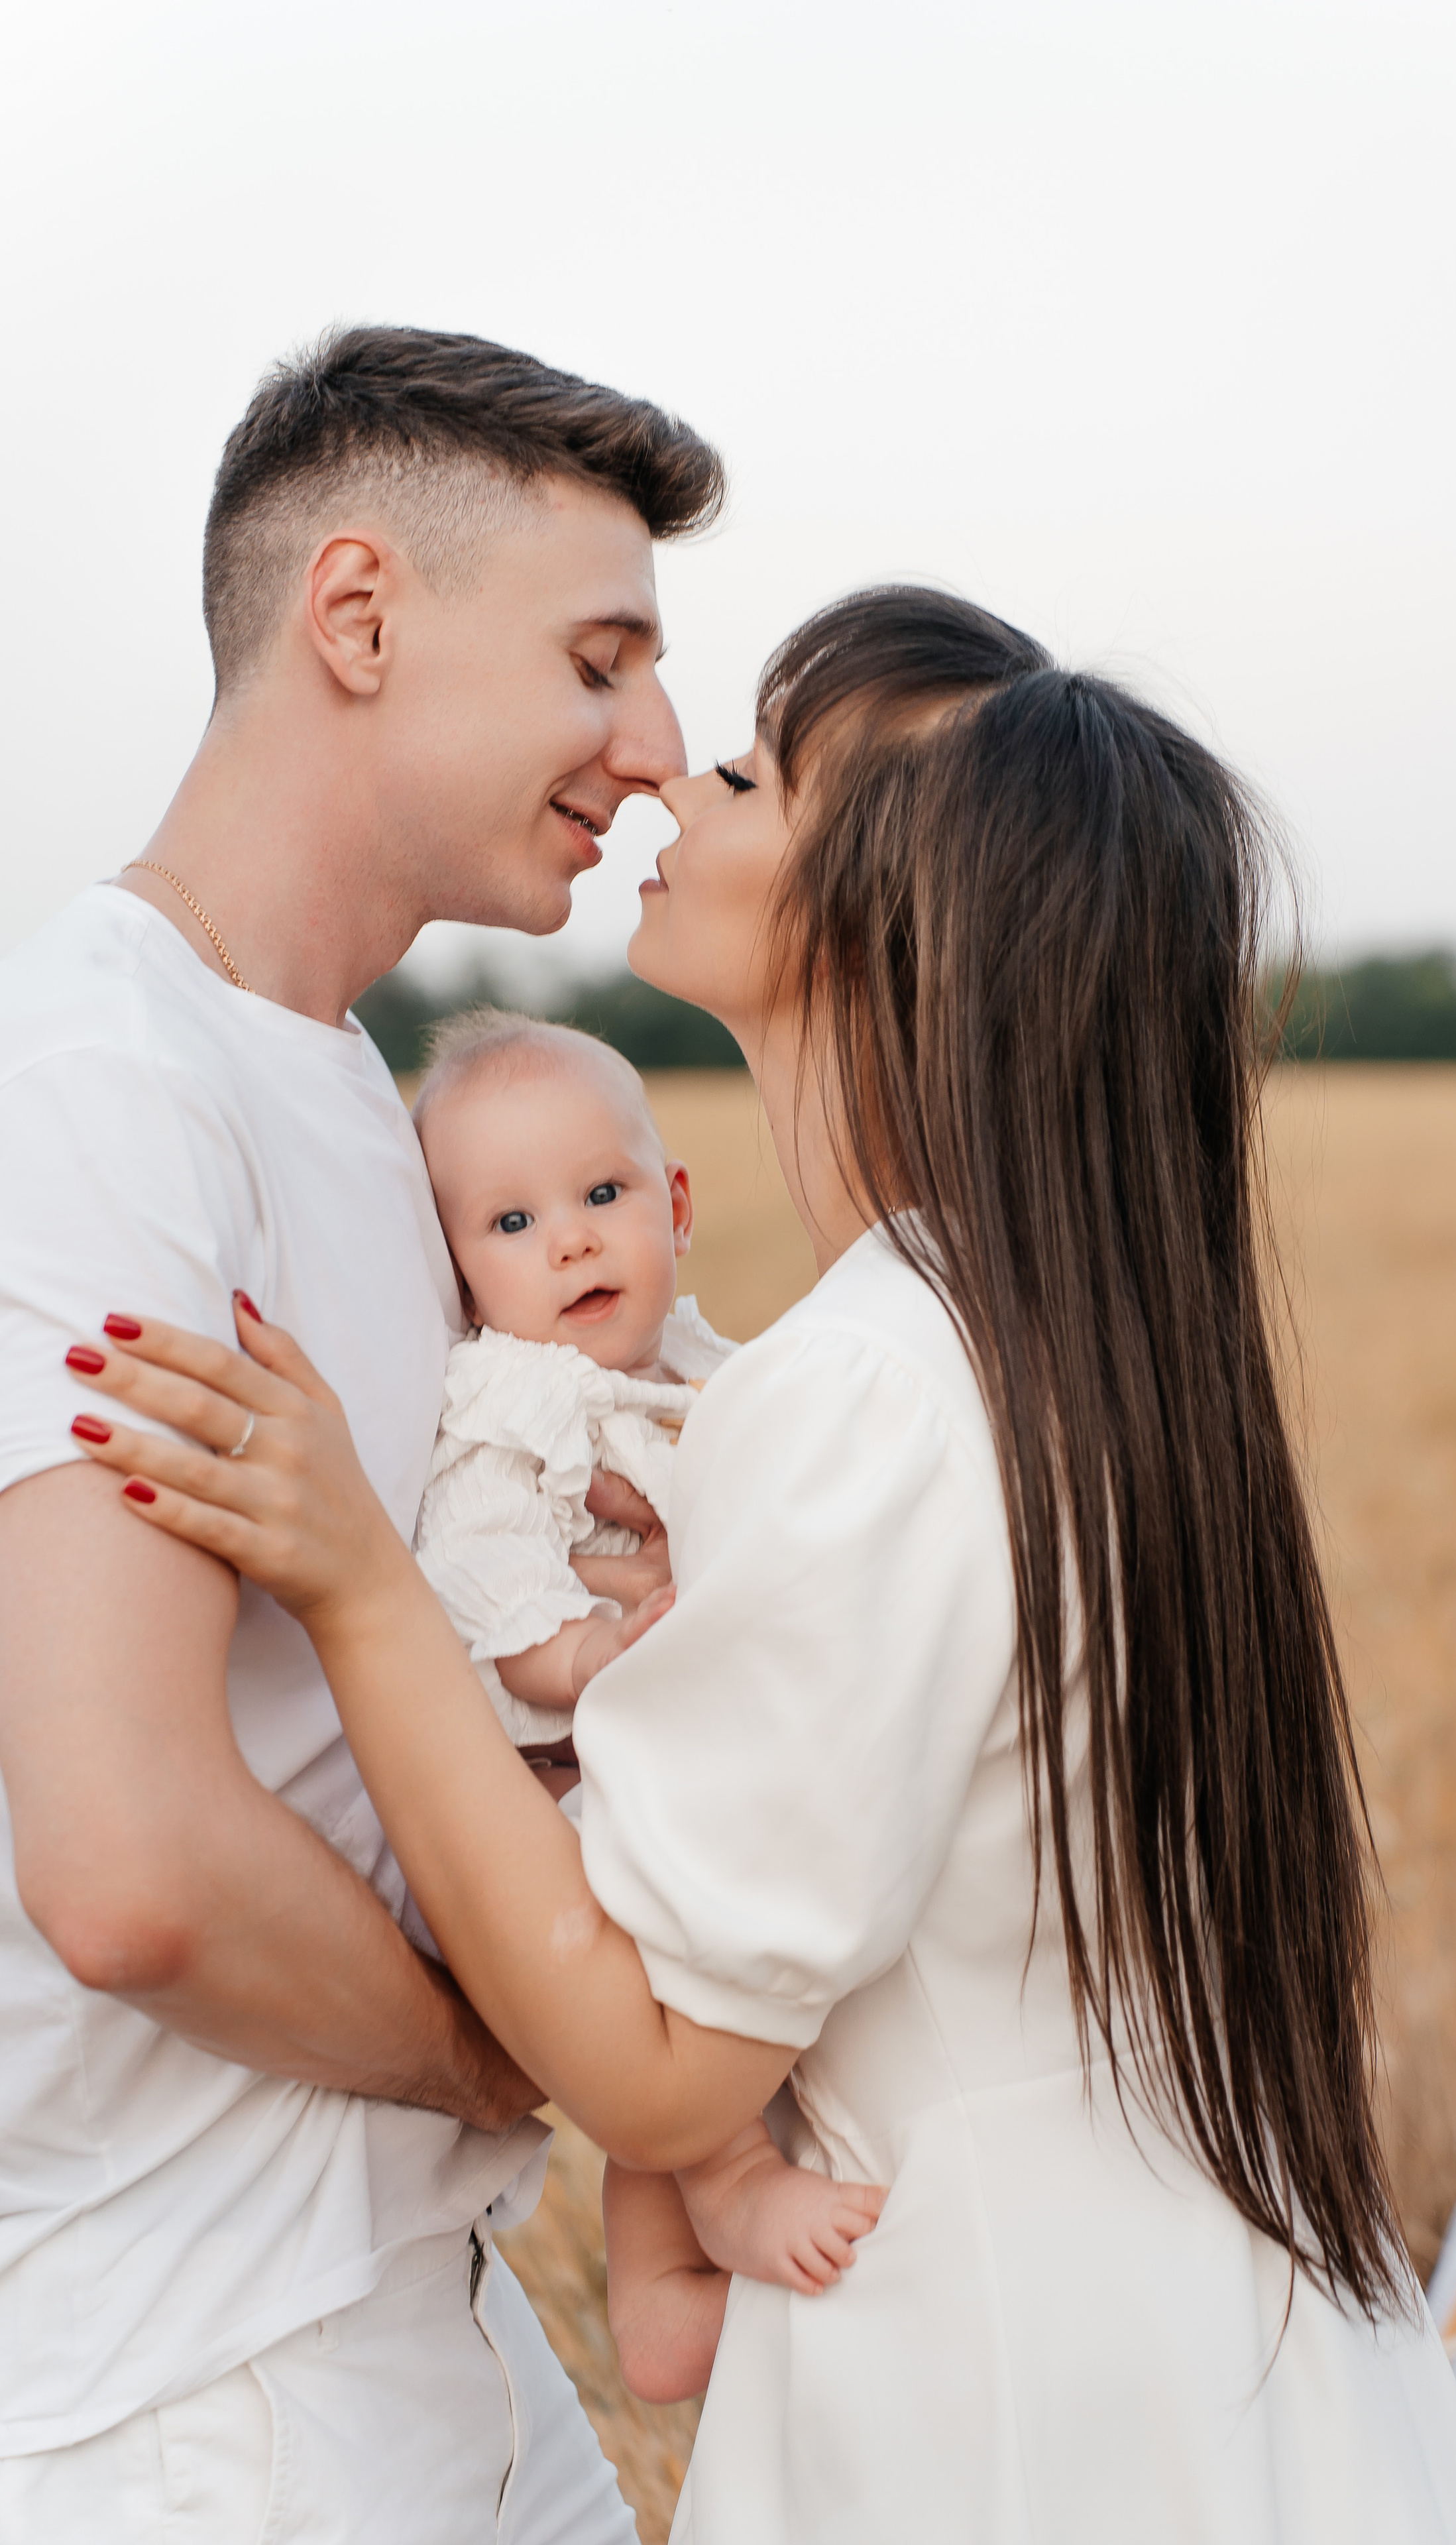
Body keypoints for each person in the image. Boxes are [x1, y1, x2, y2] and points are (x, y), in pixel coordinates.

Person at [66, 588, 1456, 2542]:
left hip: (996, 2406)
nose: (669, 767)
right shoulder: (1047, 1337)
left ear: (893, 920)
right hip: (1200, 2374)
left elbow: (664, 2077)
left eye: (752, 768)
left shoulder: (864, 1388)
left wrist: (359, 1582)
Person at [0, 324, 720, 2544]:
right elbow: (128, 1873)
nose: (663, 751)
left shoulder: (366, 1096)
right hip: (211, 2393)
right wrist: (512, 2057)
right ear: (358, 617)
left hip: (429, 2314)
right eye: (603, 660)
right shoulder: (101, 1076)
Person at [406, 1009, 888, 2379]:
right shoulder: (508, 1406)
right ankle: (725, 2188)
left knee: (714, 1957)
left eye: (601, 1196)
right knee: (666, 1970)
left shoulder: (707, 1371)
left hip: (673, 1757)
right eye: (510, 1223)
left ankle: (662, 2295)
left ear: (672, 1204)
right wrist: (581, 1658)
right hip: (572, 1765)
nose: (568, 1240)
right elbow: (481, 1570)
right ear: (456, 1275)